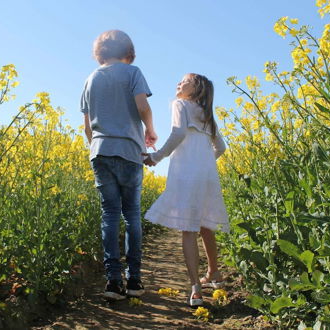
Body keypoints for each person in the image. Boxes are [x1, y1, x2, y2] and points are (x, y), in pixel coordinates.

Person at [81, 30, 157, 301]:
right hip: (128, 150)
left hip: (100, 151)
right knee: (132, 214)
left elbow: (88, 126)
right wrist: (150, 130)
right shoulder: (132, 72)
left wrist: (96, 147)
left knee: (110, 215)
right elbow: (142, 106)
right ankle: (134, 279)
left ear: (100, 52)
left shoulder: (90, 79)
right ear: (128, 52)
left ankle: (113, 282)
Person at [143, 73, 229, 307]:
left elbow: (178, 132)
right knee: (205, 225)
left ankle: (196, 289)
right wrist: (205, 162)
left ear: (198, 87)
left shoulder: (180, 104)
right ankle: (214, 274)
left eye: (185, 80)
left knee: (188, 229)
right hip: (207, 174)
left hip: (186, 174)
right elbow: (220, 147)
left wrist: (156, 157)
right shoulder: (207, 114)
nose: (179, 83)